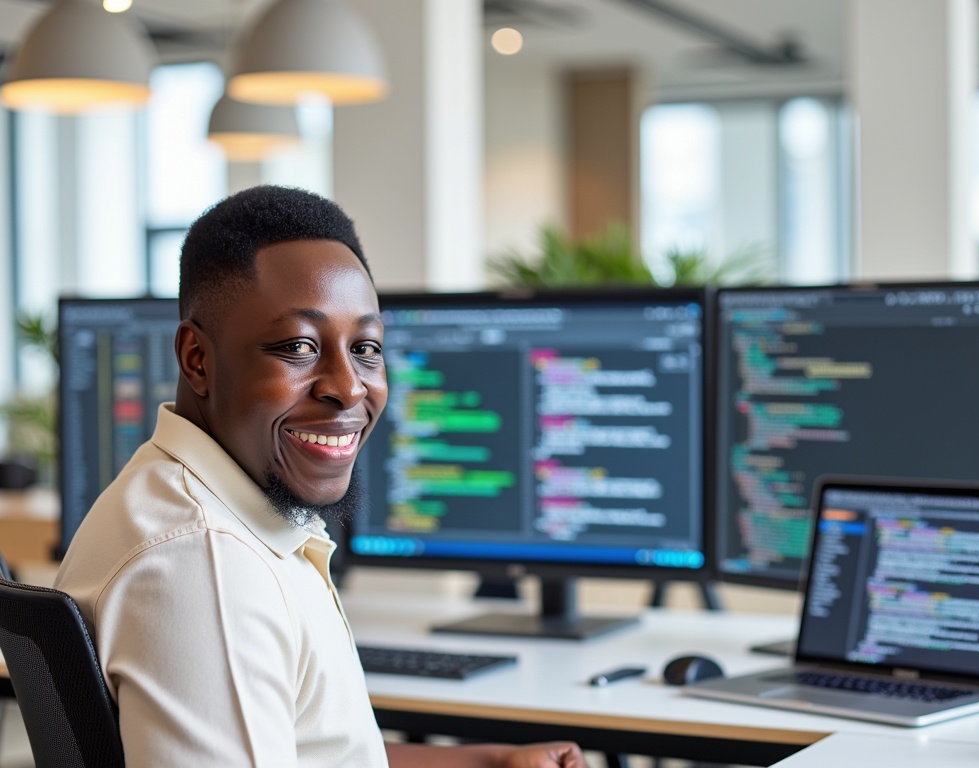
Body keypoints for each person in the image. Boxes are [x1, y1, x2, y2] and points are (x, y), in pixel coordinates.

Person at [55, 184, 588, 768]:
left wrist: (485, 763)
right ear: (197, 360)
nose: (350, 387)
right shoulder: (207, 564)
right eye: (299, 346)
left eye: (365, 348)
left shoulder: (204, 505)